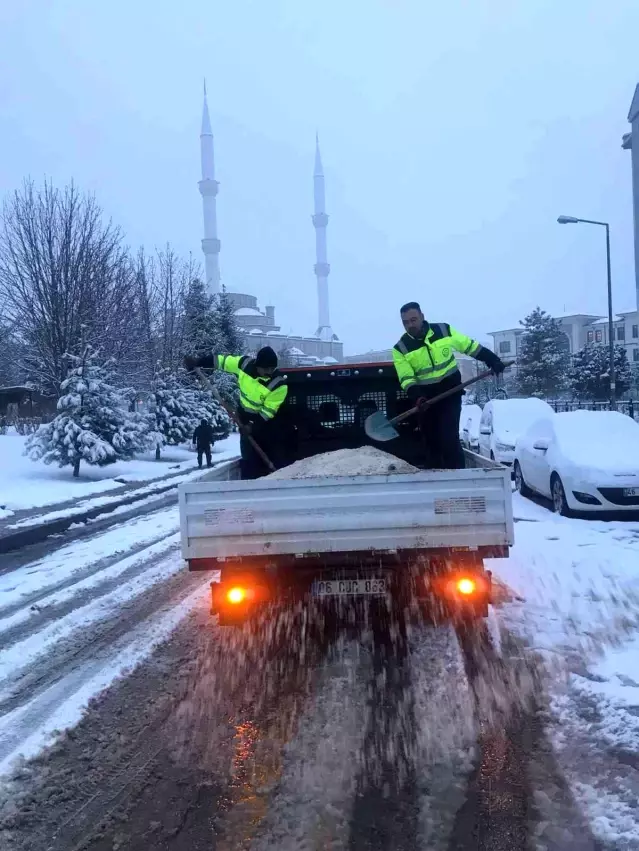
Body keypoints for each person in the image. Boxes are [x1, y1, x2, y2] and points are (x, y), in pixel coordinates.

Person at [393, 301, 505, 469]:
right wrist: (417, 396)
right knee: (431, 440)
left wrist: (492, 360)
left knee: (449, 438)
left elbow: (469, 346)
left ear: (422, 317)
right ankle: (435, 479)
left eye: (413, 320)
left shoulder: (443, 330)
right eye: (405, 322)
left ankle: (458, 477)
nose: (410, 325)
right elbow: (406, 378)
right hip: (426, 401)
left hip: (450, 393)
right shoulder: (400, 348)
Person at [185, 346, 288, 479]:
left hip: (266, 423)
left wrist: (252, 426)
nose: (269, 372)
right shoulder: (244, 365)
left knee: (270, 452)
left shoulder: (278, 384)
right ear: (258, 365)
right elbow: (222, 361)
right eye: (266, 368)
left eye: (272, 368)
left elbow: (268, 411)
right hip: (244, 417)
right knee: (249, 456)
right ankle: (250, 481)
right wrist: (199, 362)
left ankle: (274, 476)